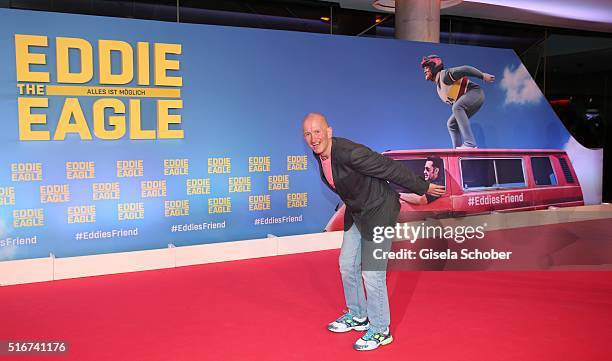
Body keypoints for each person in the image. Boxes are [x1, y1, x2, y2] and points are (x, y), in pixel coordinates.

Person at [302, 112, 445, 351]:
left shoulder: (350, 152)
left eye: (317, 131)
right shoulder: (320, 155)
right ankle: (358, 315)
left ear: (328, 131)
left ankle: (380, 330)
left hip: (379, 210)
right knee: (347, 264)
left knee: (372, 273)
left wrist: (424, 186)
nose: (313, 138)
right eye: (307, 133)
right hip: (358, 210)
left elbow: (388, 168)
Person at [421, 55, 495, 149]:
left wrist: (483, 76)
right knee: (451, 123)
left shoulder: (445, 76)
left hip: (475, 93)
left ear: (434, 66)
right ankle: (457, 150)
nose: (424, 71)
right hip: (469, 101)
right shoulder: (439, 90)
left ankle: (470, 143)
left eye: (427, 67)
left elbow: (465, 69)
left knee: (456, 107)